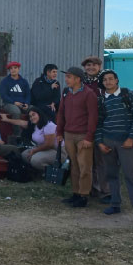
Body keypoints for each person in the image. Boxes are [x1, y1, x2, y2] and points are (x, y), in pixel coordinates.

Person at [96, 69, 133, 226]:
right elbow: (99, 123)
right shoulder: (101, 100)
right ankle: (115, 205)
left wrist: (131, 138)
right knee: (112, 176)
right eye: (105, 80)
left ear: (116, 80)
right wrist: (100, 142)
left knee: (132, 177)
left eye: (110, 79)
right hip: (108, 142)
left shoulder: (128, 94)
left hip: (126, 143)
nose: (108, 82)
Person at [56, 66, 98, 208]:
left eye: (69, 77)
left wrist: (89, 137)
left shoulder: (89, 94)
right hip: (68, 134)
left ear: (78, 79)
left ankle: (84, 195)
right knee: (73, 165)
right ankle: (75, 193)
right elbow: (61, 112)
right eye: (66, 76)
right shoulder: (66, 92)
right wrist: (59, 132)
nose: (66, 79)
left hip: (83, 136)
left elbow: (93, 116)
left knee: (85, 166)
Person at [81, 55, 110, 203]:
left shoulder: (104, 82)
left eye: (94, 65)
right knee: (88, 160)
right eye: (88, 65)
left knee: (102, 160)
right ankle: (91, 188)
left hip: (101, 125)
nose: (90, 67)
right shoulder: (81, 82)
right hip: (85, 126)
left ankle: (105, 191)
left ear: (99, 67)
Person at [0, 106, 65, 171]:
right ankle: (39, 169)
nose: (32, 117)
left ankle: (52, 171)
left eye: (33, 115)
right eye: (30, 116)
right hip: (45, 149)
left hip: (58, 151)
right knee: (24, 155)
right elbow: (20, 122)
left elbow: (49, 144)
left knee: (35, 160)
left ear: (39, 114)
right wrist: (7, 119)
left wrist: (34, 151)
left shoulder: (49, 125)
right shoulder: (35, 125)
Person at [0, 62, 31, 145]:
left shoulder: (24, 81)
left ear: (18, 69)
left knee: (33, 110)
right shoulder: (5, 81)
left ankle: (32, 134)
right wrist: (14, 102)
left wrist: (27, 103)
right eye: (11, 68)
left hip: (23, 104)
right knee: (16, 112)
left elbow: (28, 94)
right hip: (9, 104)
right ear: (9, 70)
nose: (13, 70)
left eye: (15, 68)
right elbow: (3, 95)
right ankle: (18, 136)